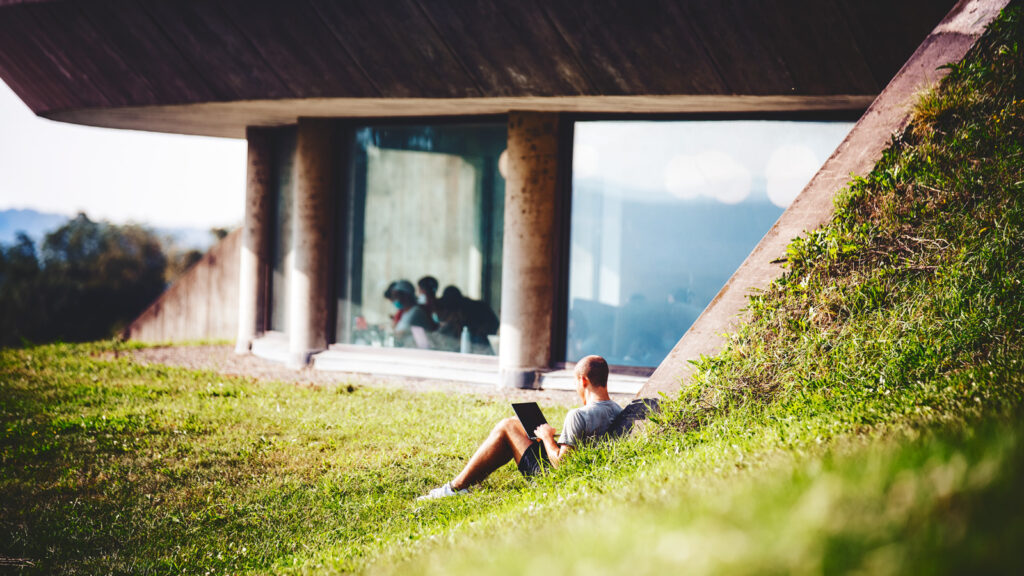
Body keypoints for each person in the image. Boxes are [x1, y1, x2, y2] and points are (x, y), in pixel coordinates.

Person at [418, 355, 622, 499]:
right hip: (589, 474)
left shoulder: (577, 415)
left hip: (556, 482)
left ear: (583, 380)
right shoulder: (617, 409)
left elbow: (563, 466)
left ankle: (456, 487)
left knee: (507, 425)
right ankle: (459, 486)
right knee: (518, 425)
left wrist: (547, 438)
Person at [386, 279, 436, 347]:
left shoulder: (416, 312)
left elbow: (402, 334)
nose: (395, 299)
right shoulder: (405, 312)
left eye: (397, 296)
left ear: (406, 296)